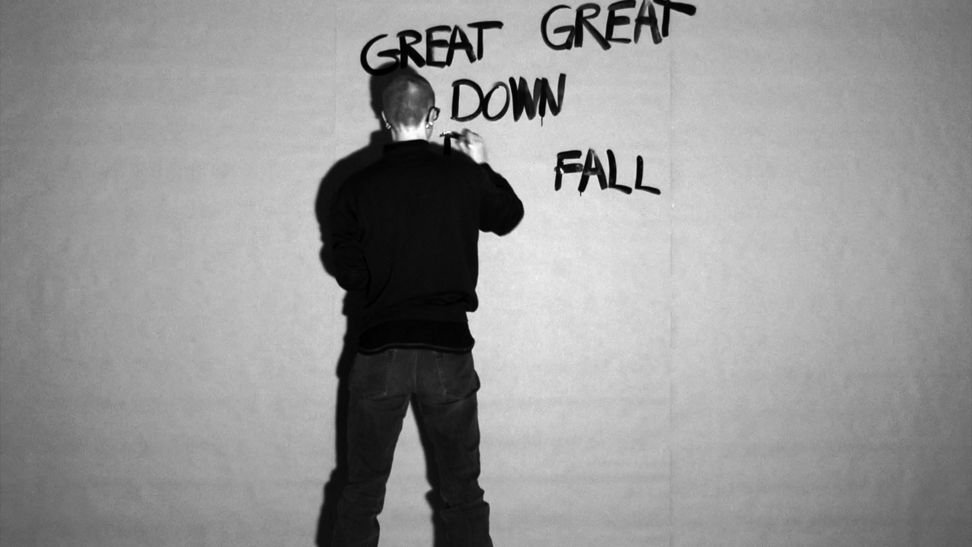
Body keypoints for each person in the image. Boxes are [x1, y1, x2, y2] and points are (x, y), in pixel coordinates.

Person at [328, 72, 524, 547]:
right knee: (463, 494)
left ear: (384, 117)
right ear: (432, 116)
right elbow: (508, 216)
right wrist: (482, 165)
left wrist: (383, 288)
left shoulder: (355, 185)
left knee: (361, 493)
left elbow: (347, 270)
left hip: (380, 349)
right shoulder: (463, 175)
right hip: (447, 350)